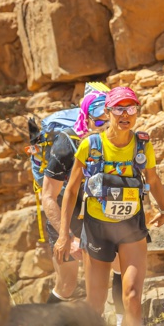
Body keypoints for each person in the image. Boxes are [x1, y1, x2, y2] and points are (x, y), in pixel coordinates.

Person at [55, 86, 164, 326]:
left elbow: (152, 179)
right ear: (108, 112)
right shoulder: (91, 145)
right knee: (95, 304)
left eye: (131, 108)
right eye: (119, 108)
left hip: (131, 227)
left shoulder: (142, 144)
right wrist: (64, 234)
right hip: (97, 229)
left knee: (131, 296)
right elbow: (71, 189)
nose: (125, 114)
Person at [41, 90, 123, 310]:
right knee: (67, 284)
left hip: (93, 210)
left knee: (119, 264)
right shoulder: (66, 143)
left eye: (107, 120)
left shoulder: (115, 138)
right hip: (63, 215)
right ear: (85, 117)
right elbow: (47, 195)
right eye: (97, 121)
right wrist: (65, 236)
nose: (102, 126)